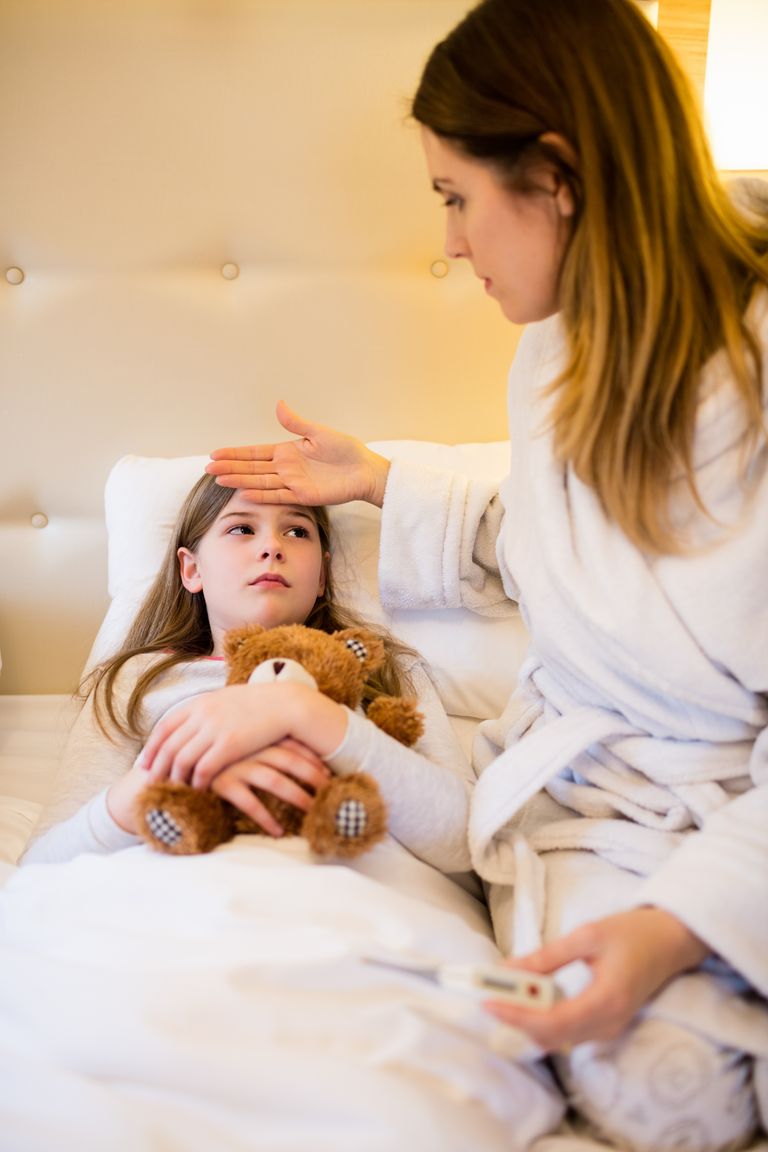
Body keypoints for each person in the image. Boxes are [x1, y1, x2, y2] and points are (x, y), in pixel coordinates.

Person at [191, 1, 768, 1149]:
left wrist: (678, 925)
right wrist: (382, 485)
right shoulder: (557, 347)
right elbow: (571, 553)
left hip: (724, 820)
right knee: (642, 1079)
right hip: (596, 801)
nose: (451, 243)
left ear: (554, 176)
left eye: (456, 199)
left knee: (667, 1088)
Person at [22, 473, 474, 877]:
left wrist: (306, 713)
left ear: (322, 575)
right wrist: (175, 777)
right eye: (241, 528)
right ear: (192, 568)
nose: (272, 546)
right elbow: (40, 867)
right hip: (171, 904)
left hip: (348, 904)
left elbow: (468, 844)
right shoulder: (138, 681)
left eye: (297, 531)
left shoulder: (381, 672)